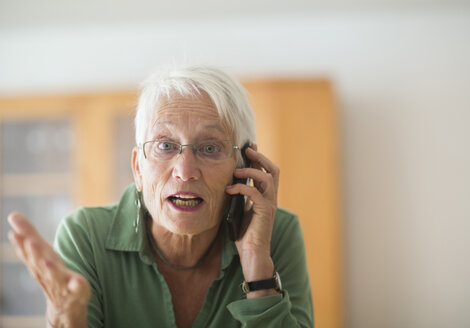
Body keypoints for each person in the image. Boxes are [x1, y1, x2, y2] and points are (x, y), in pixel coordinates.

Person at [7, 65, 313, 327]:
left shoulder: (276, 233)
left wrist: (259, 271)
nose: (185, 171)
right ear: (138, 168)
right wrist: (68, 320)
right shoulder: (85, 235)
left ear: (244, 166)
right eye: (165, 146)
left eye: (210, 147)